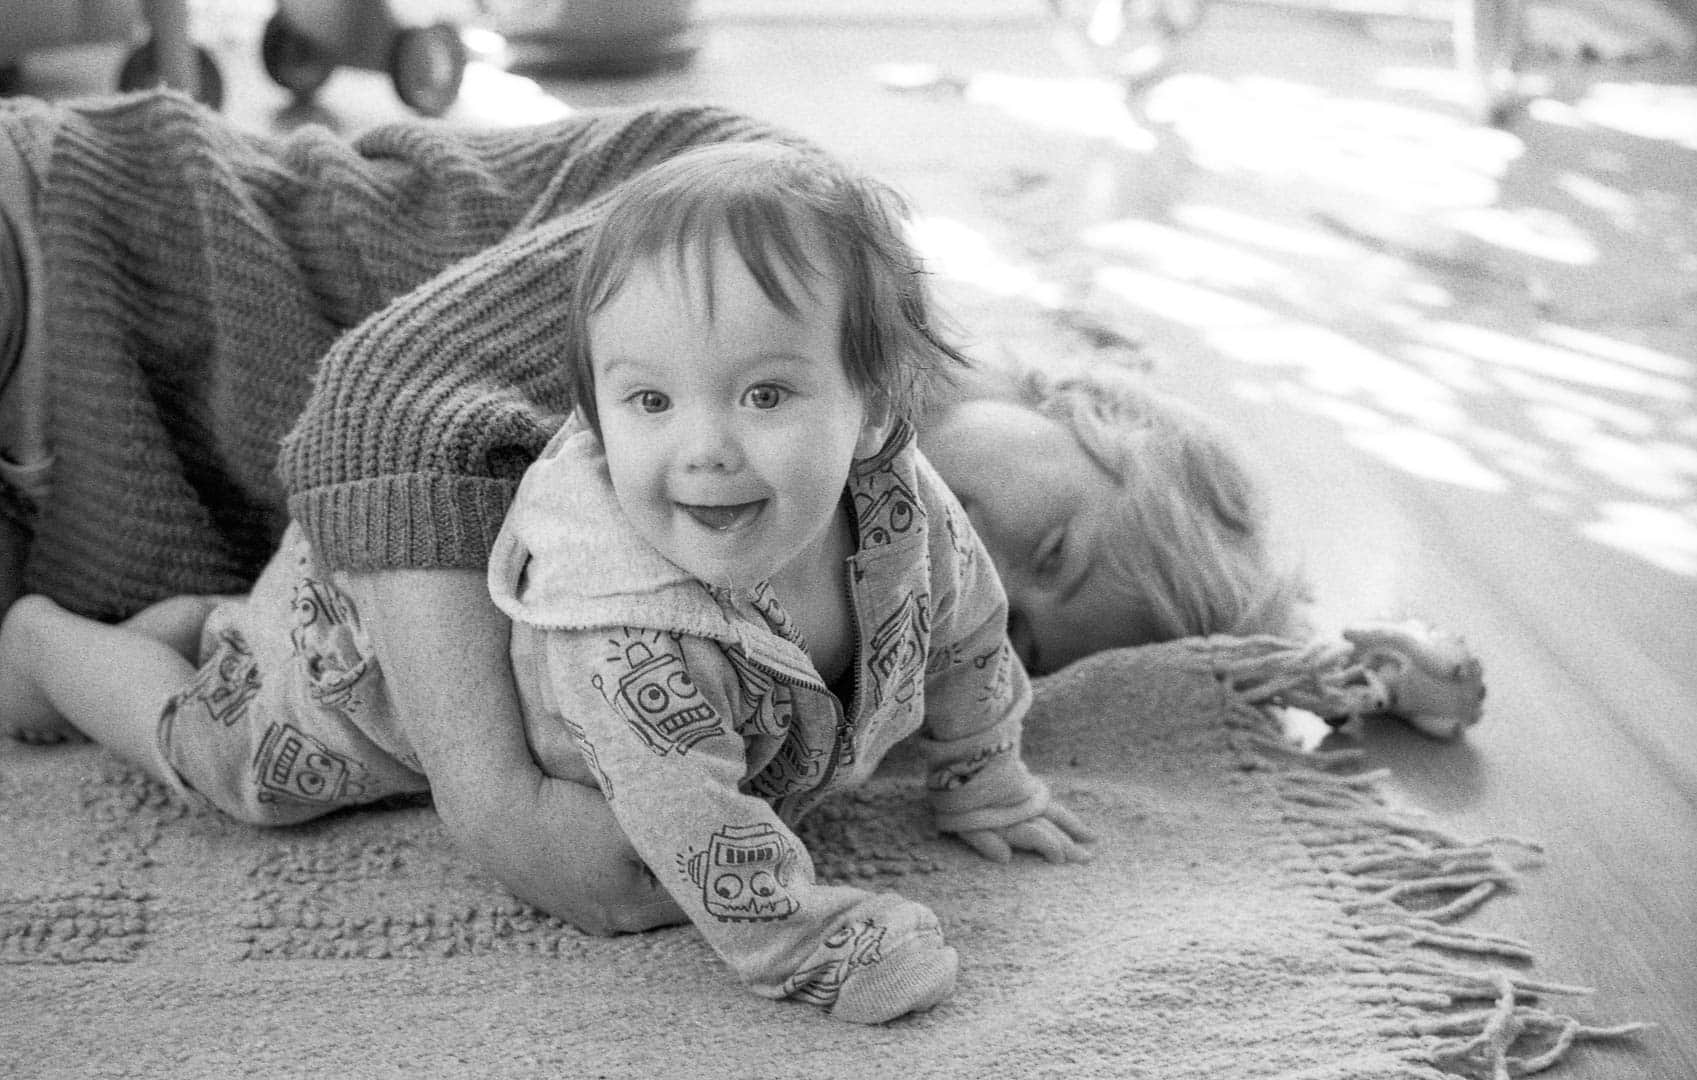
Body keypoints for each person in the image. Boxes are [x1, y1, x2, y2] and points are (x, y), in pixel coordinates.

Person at [1, 91, 1473, 932]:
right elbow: (384, 405)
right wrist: (501, 808)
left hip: (68, 513)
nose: (994, 574)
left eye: (1029, 615)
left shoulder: (818, 563)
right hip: (73, 258)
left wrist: (1352, 658)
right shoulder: (788, 226)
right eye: (1056, 540)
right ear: (1081, 402)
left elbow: (1031, 673)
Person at [0, 142, 1095, 1022]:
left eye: (765, 396)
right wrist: (820, 943)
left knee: (243, 643)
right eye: (650, 404)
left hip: (370, 574)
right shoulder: (626, 629)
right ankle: (49, 652)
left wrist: (982, 774)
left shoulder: (903, 500)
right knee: (241, 761)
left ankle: (206, 621)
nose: (702, 449)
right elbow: (701, 840)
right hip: (361, 660)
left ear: (875, 408)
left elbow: (965, 635)